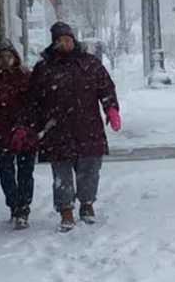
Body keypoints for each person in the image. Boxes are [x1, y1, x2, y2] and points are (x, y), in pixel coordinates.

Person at [18, 22, 121, 232]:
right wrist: (29, 127)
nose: (65, 44)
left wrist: (111, 108)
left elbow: (106, 86)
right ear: (54, 43)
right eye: (60, 41)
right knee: (62, 174)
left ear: (74, 40)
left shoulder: (89, 64)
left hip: (88, 127)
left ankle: (87, 204)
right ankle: (66, 211)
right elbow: (33, 101)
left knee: (90, 170)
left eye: (68, 40)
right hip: (57, 130)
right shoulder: (44, 68)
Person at [0, 38, 37, 230]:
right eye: (1, 57)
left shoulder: (26, 79)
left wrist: (25, 126)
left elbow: (33, 105)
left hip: (24, 134)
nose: (5, 60)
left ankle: (24, 208)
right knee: (7, 173)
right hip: (1, 135)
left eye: (8, 56)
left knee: (25, 173)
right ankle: (14, 206)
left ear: (15, 57)